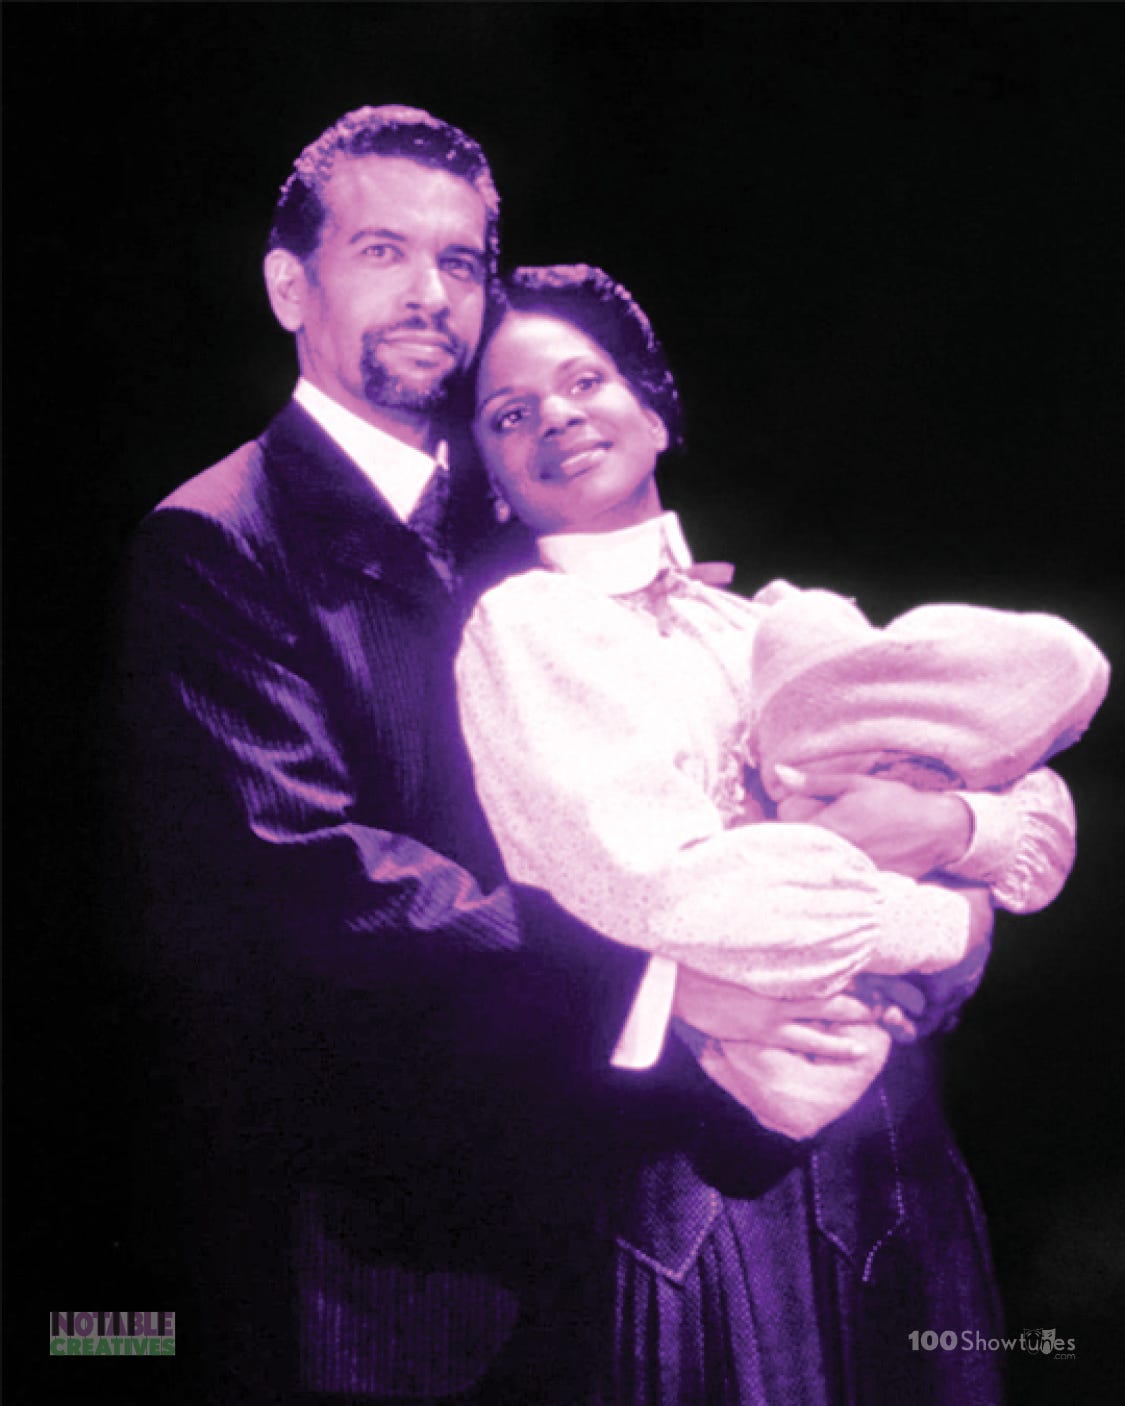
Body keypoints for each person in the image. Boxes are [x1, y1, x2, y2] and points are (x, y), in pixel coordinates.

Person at [116, 105, 916, 1406]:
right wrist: (662, 980)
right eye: (383, 251)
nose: (430, 294)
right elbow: (309, 877)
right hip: (396, 1244)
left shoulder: (527, 495)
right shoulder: (216, 539)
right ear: (289, 286)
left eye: (460, 260)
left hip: (630, 1208)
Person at [455, 264, 1094, 1401]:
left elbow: (1033, 798)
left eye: (585, 381)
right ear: (494, 475)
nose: (553, 416)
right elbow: (676, 892)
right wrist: (951, 922)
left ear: (655, 410)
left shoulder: (770, 621)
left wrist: (949, 818)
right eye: (509, 414)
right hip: (704, 1176)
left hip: (894, 1152)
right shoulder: (525, 628)